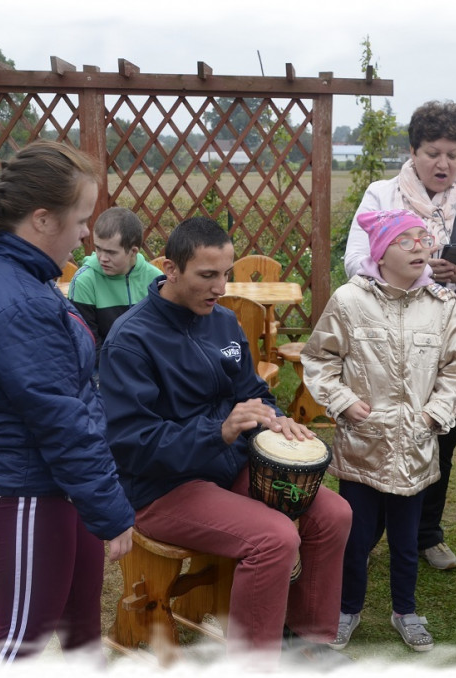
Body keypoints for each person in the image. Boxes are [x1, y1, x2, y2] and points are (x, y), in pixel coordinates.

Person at [98, 216, 352, 667]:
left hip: (228, 466)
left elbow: (251, 392)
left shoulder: (224, 322)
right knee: (274, 537)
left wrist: (274, 420)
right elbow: (132, 444)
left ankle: (307, 642)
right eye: (207, 275)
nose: (220, 286)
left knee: (333, 513)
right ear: (170, 269)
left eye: (227, 273)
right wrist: (218, 430)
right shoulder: (130, 341)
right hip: (160, 489)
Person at [0, 140, 134, 665]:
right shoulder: (21, 303)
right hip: (22, 492)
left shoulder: (18, 274)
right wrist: (112, 510)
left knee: (81, 631)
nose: (85, 235)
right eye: (80, 220)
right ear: (40, 219)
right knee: (19, 648)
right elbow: (61, 421)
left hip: (53, 486)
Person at [344, 99, 456, 570]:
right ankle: (373, 529)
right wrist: (416, 272)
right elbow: (354, 260)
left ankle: (425, 533)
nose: (444, 164)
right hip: (387, 340)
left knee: (442, 434)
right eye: (434, 153)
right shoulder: (382, 195)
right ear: (414, 151)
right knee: (382, 430)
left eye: (454, 154)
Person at [304, 209, 456, 652]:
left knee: (405, 541)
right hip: (362, 448)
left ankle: (406, 610)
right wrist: (342, 401)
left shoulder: (441, 306)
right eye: (409, 240)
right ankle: (347, 609)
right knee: (355, 539)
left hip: (416, 448)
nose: (422, 246)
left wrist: (433, 415)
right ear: (382, 253)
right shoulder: (348, 301)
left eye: (425, 238)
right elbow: (319, 360)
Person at [67, 206, 162, 362]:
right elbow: (88, 343)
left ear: (133, 252)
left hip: (149, 364)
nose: (102, 258)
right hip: (102, 366)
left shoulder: (156, 279)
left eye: (111, 252)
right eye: (98, 248)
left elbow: (163, 333)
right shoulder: (85, 281)